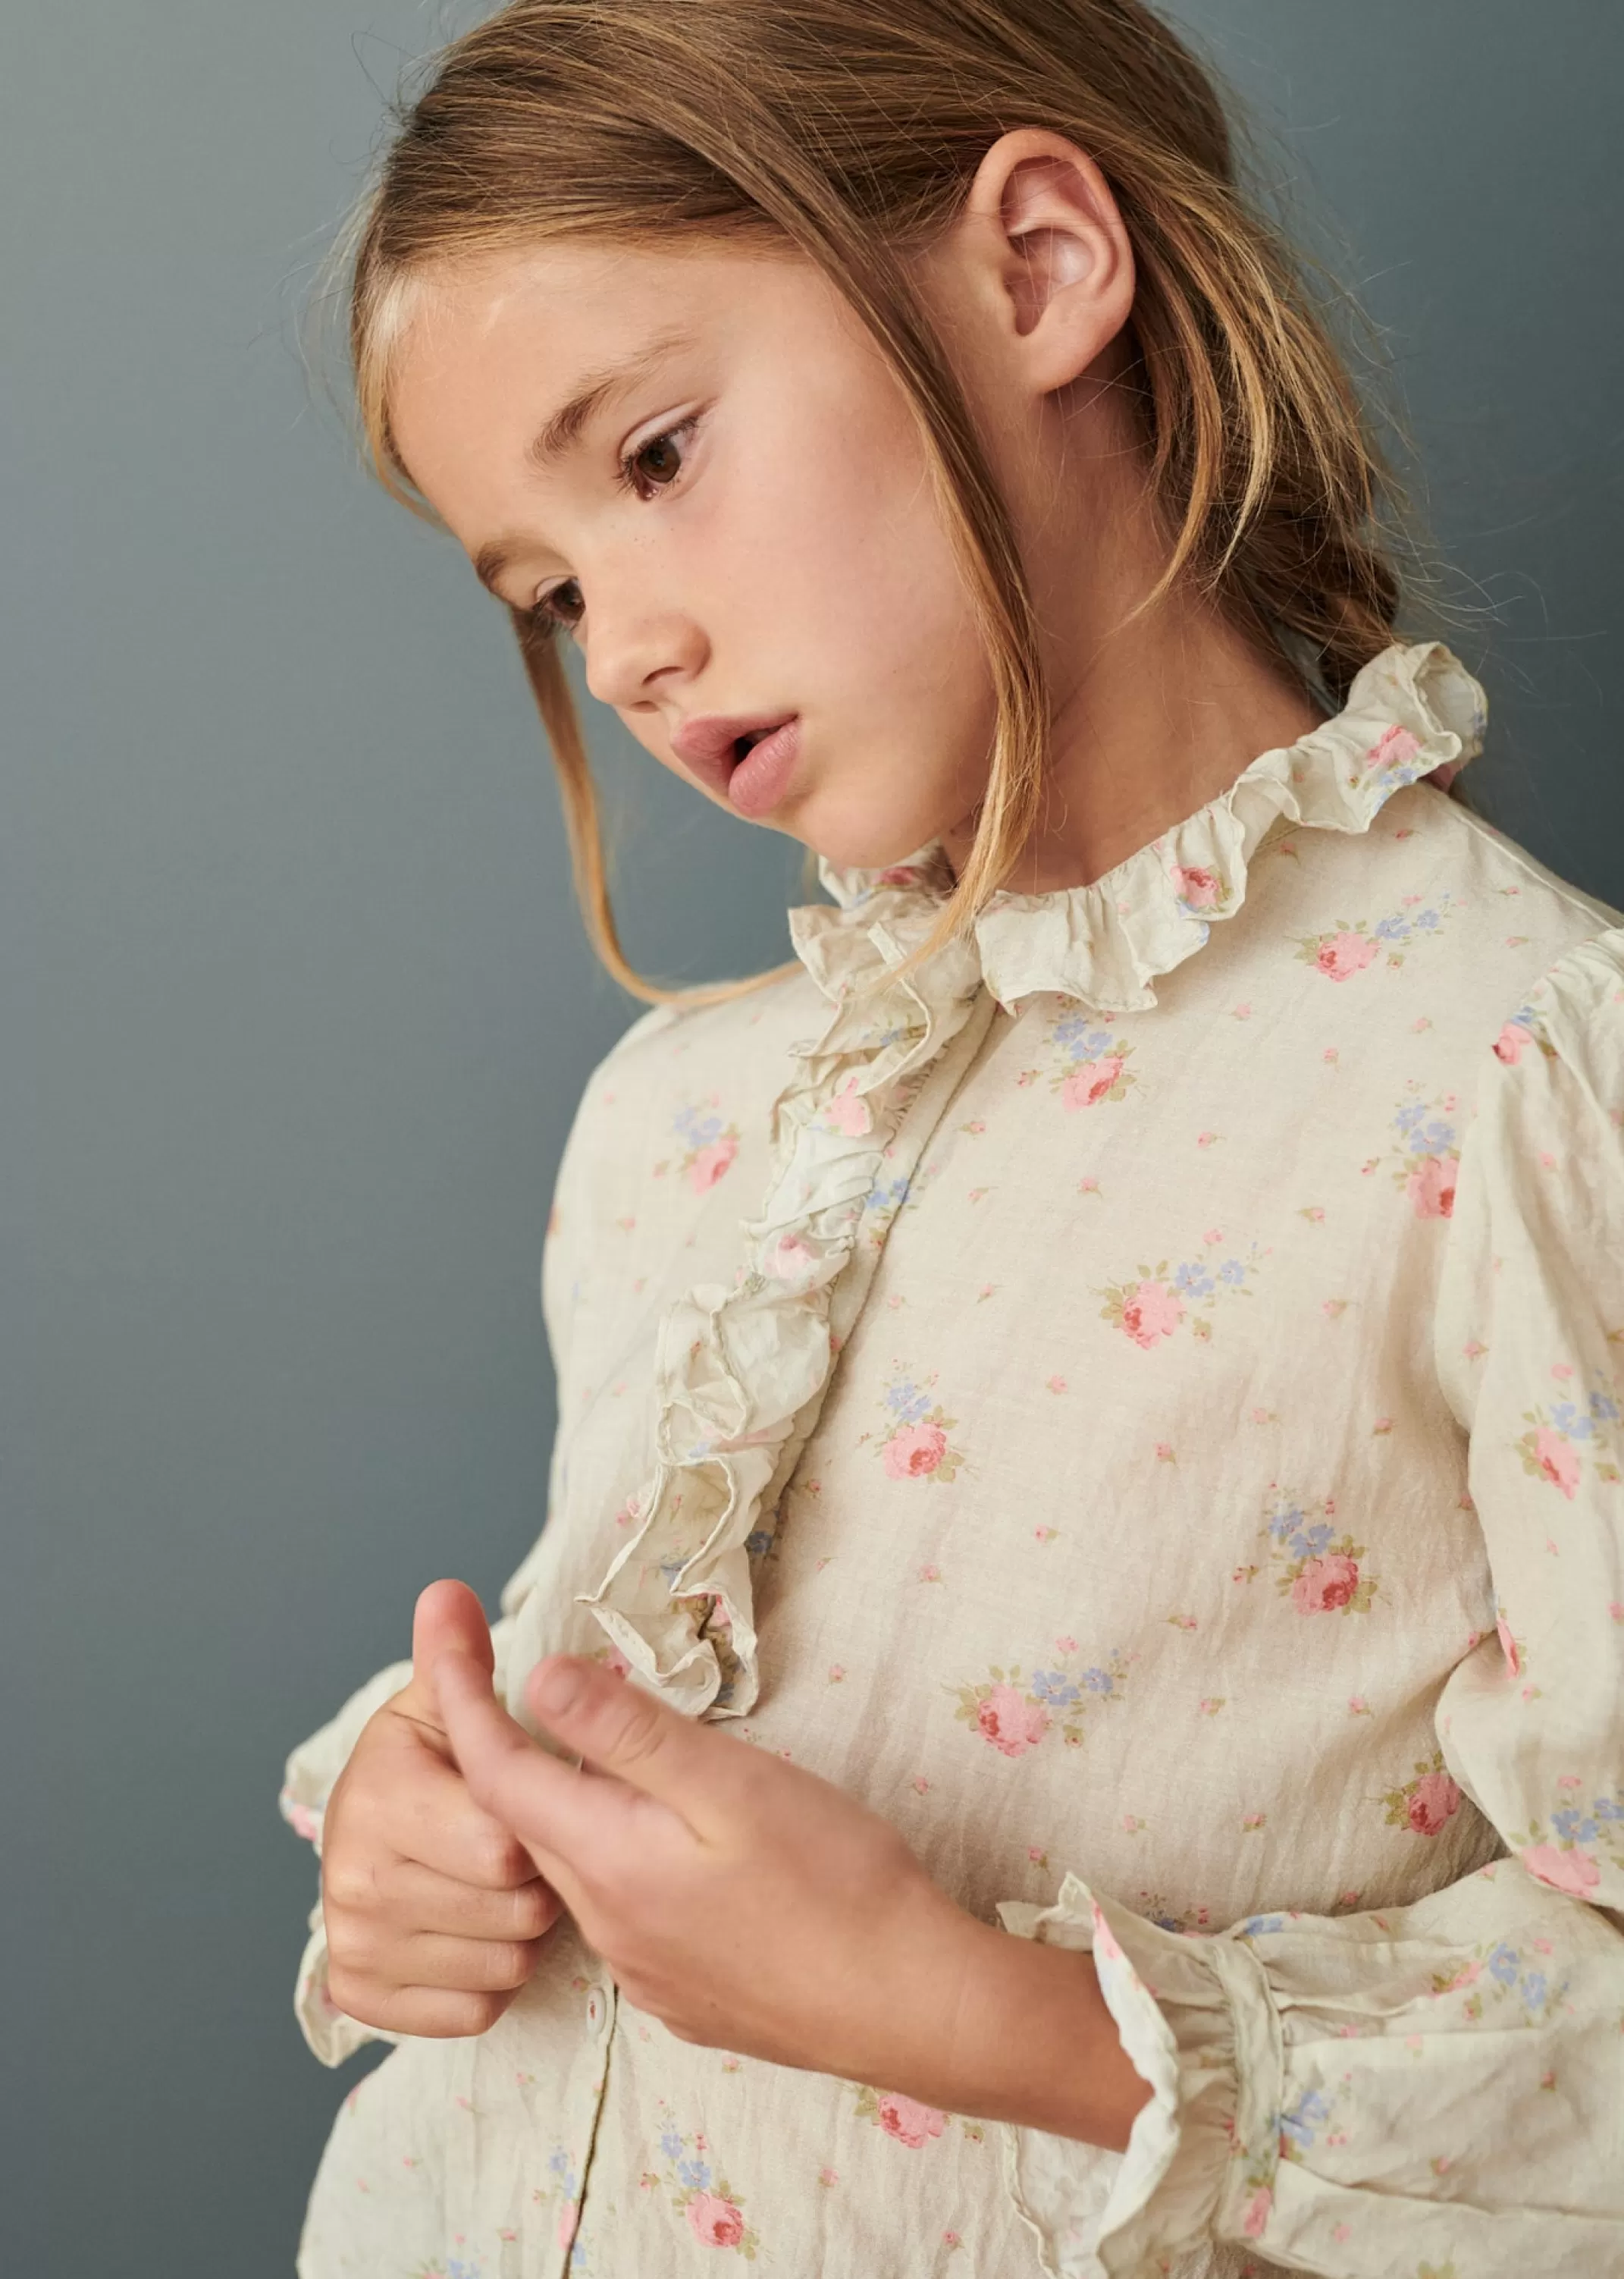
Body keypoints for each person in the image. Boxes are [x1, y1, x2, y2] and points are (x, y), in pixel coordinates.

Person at [279, 3, 1624, 2272]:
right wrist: (430, 1829)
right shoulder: (684, 1115)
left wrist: (975, 2013)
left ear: (1032, 265)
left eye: (658, 452)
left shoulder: (1512, 1078)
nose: (617, 650)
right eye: (546, 588)